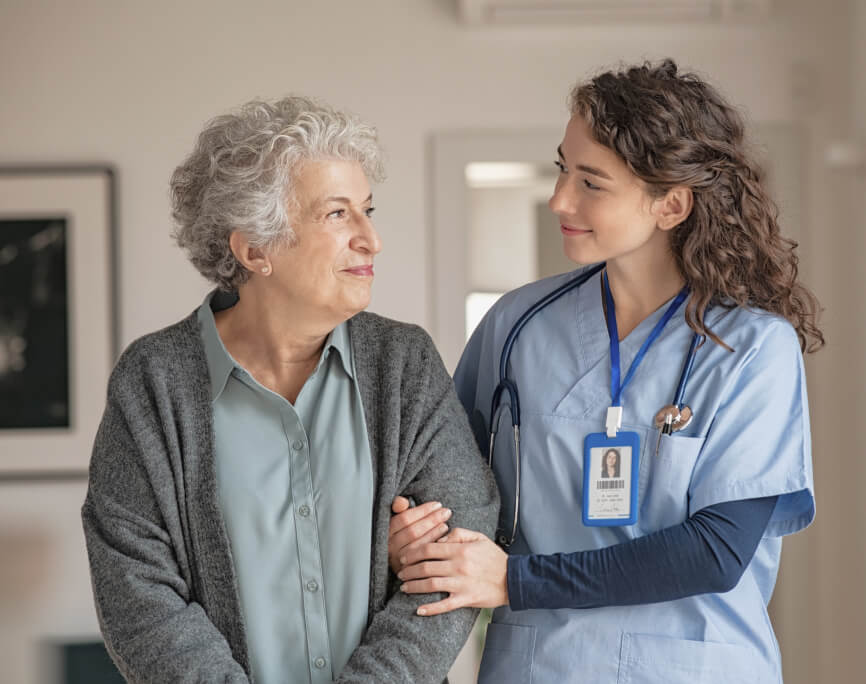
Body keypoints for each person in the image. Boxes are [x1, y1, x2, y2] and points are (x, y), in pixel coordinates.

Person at [390, 59, 822, 683]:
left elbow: (717, 551)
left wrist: (513, 580)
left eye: (592, 182)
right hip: (538, 666)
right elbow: (443, 484)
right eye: (564, 168)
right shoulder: (517, 325)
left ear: (670, 204)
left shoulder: (752, 349)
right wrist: (415, 537)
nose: (559, 198)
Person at [81, 96, 498, 684]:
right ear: (254, 248)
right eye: (337, 214)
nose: (371, 239)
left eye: (367, 210)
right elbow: (139, 596)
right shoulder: (153, 382)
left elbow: (460, 550)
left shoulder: (403, 364)